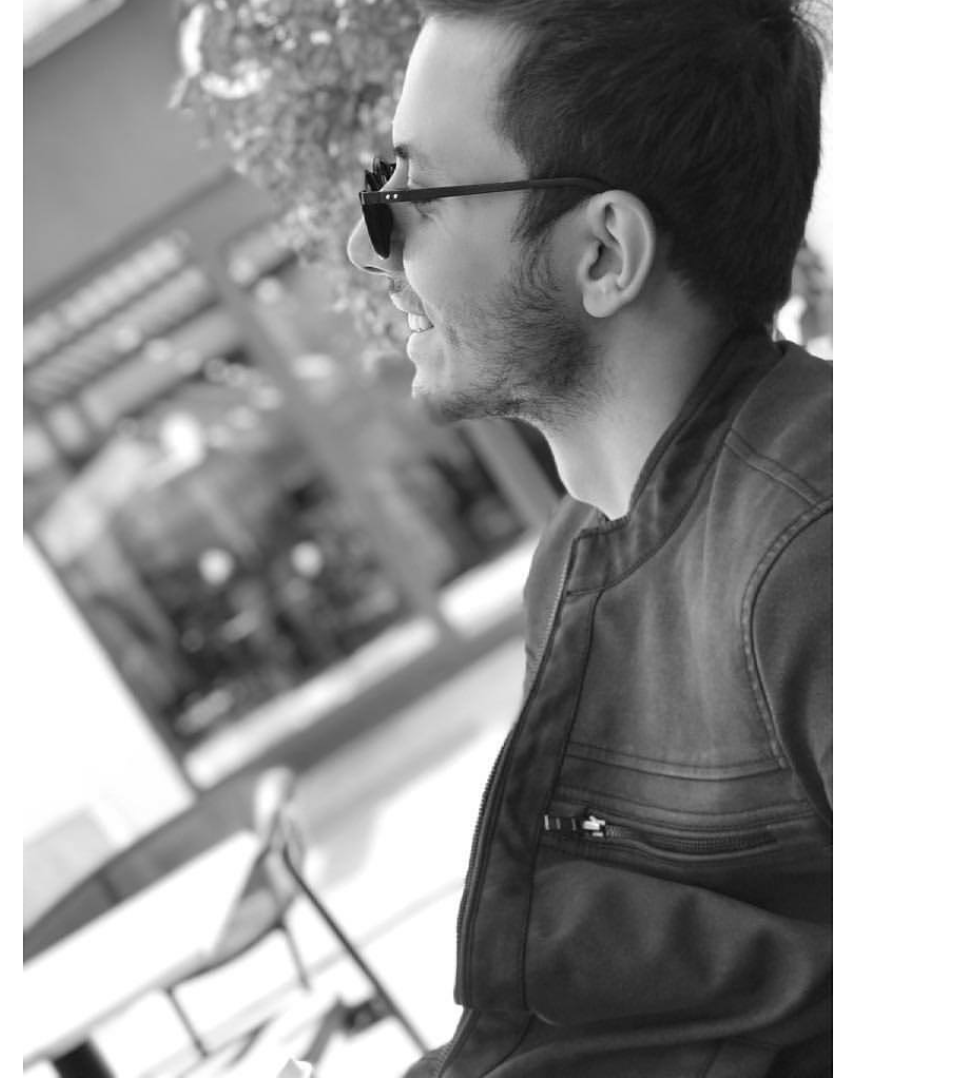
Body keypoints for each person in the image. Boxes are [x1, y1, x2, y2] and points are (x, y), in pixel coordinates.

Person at [346, 1, 831, 1075]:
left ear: (603, 251)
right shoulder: (575, 554)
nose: (365, 242)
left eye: (405, 196)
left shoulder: (824, 553)